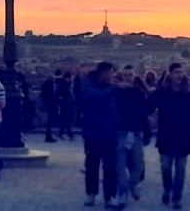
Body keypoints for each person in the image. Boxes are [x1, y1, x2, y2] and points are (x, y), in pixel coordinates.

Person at [148, 63, 190, 210]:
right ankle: (167, 189)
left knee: (180, 170)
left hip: (184, 136)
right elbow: (148, 106)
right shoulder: (162, 93)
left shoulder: (187, 94)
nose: (180, 75)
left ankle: (177, 197)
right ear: (170, 75)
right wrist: (151, 118)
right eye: (177, 72)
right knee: (165, 167)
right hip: (166, 135)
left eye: (182, 72)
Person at [81, 62, 120, 209]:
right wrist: (115, 87)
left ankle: (110, 197)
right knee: (92, 166)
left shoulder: (110, 86)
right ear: (103, 73)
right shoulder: (88, 85)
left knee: (110, 168)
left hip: (110, 133)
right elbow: (93, 97)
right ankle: (91, 193)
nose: (112, 76)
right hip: (93, 133)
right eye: (110, 73)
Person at [114, 65, 148, 208]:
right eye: (126, 75)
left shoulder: (139, 93)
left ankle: (132, 184)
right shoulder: (117, 92)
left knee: (138, 163)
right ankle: (123, 191)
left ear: (134, 76)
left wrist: (146, 131)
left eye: (130, 75)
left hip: (135, 132)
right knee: (120, 165)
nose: (128, 77)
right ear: (122, 76)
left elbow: (143, 113)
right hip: (120, 131)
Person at [40, 74, 58, 142]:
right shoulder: (50, 86)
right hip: (51, 105)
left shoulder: (45, 85)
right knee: (50, 121)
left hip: (48, 105)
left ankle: (48, 135)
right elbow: (52, 96)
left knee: (49, 121)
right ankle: (48, 136)